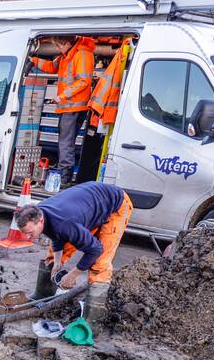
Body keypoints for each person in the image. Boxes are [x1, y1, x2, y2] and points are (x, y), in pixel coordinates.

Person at [16, 181, 133, 321]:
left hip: (115, 204)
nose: (27, 237)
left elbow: (95, 249)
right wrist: (57, 263)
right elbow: (55, 234)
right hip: (89, 205)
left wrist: (73, 275)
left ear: (40, 221)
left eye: (29, 232)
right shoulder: (40, 211)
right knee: (53, 256)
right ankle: (43, 296)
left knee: (99, 263)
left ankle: (92, 319)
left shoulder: (64, 223)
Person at [31, 36, 96, 186]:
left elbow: (84, 81)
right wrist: (32, 60)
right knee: (65, 142)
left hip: (73, 106)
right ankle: (63, 173)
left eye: (59, 46)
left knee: (65, 143)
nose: (58, 50)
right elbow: (51, 67)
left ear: (66, 43)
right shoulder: (67, 55)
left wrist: (62, 96)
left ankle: (64, 177)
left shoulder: (82, 54)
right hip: (67, 106)